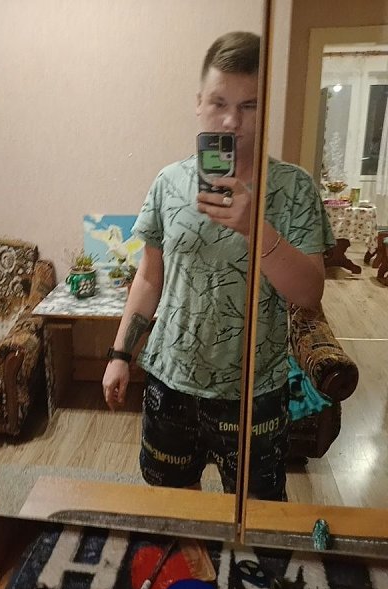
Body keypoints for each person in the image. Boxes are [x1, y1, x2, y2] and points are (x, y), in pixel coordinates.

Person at [102, 31, 334, 500]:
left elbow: (308, 294)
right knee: (175, 506)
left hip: (255, 394)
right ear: (198, 104)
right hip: (170, 383)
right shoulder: (168, 183)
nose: (232, 120)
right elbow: (149, 277)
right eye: (218, 103)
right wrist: (119, 355)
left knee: (257, 518)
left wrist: (255, 227)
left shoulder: (295, 189)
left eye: (249, 105)